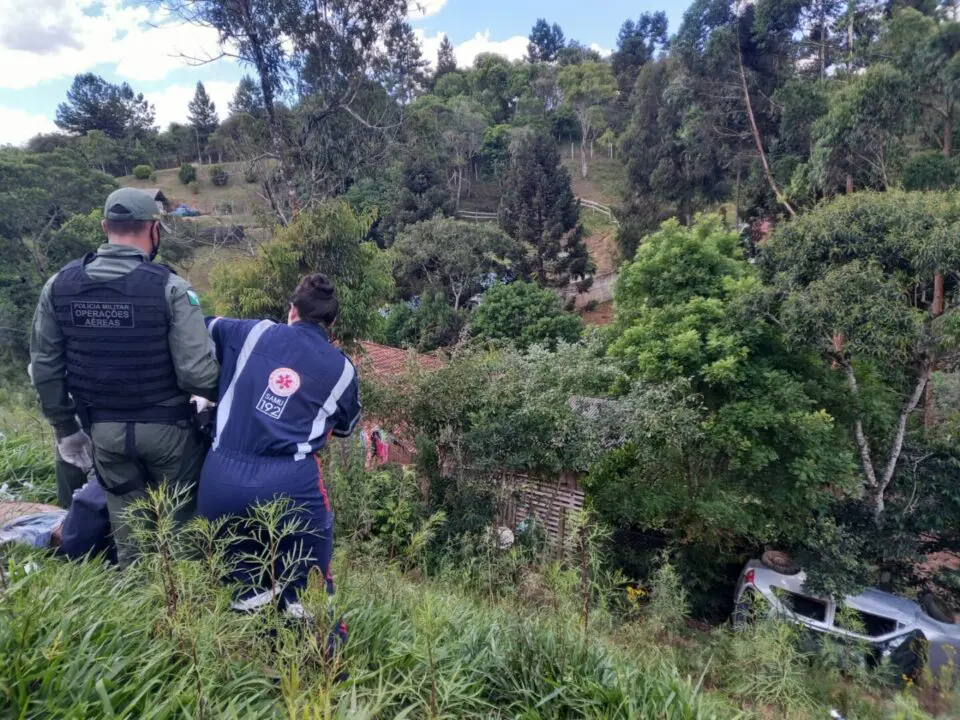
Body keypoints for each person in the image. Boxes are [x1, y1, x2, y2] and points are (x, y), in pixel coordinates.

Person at [29, 188, 220, 567]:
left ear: (104, 227)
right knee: (180, 529)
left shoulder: (59, 286)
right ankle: (183, 609)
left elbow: (46, 369)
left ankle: (137, 599)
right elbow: (198, 374)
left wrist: (66, 430)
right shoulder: (171, 288)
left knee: (129, 531)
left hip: (104, 431)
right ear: (154, 229)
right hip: (169, 433)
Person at [199, 273, 360, 619]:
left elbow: (198, 325)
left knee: (243, 584)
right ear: (332, 323)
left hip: (219, 480)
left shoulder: (251, 332)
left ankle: (252, 656)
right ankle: (319, 665)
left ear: (292, 311)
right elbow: (346, 428)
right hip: (290, 487)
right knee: (309, 591)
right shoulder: (342, 370)